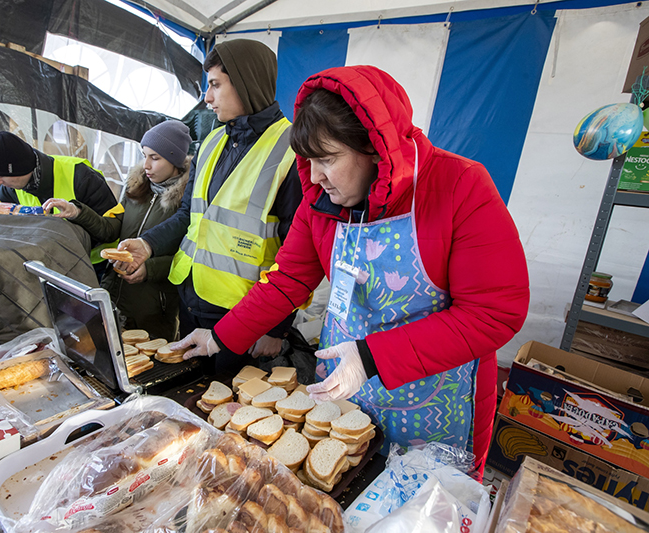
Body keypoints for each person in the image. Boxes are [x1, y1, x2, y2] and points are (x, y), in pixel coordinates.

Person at [171, 65, 530, 475]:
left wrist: (372, 357)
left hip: (433, 401)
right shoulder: (321, 201)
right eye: (308, 161)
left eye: (327, 159)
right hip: (343, 392)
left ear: (376, 148)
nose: (315, 176)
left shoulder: (460, 186)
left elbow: (495, 312)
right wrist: (222, 336)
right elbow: (287, 280)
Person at [117, 40, 304, 373]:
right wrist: (147, 244)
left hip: (244, 316)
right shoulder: (211, 143)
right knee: (193, 399)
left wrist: (277, 327)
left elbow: (298, 253)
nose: (207, 97)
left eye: (216, 85)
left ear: (246, 82)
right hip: (191, 303)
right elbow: (189, 215)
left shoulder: (291, 152)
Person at [43, 120, 193, 341]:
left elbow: (189, 257)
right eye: (144, 155)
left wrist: (149, 269)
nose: (146, 165)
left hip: (153, 308)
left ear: (175, 161)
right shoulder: (136, 188)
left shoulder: (186, 205)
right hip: (115, 293)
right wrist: (77, 212)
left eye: (155, 158)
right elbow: (110, 229)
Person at [0, 131, 122, 274]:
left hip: (95, 265)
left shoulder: (82, 177)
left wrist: (77, 214)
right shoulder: (11, 187)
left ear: (18, 168)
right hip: (51, 264)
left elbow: (111, 230)